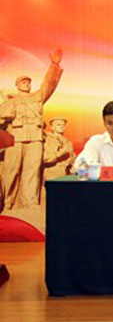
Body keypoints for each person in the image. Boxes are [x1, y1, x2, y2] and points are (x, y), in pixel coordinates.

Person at [0, 49, 63, 209]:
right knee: (11, 170)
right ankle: (8, 202)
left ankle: (30, 201)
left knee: (32, 170)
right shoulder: (10, 101)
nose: (26, 84)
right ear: (17, 86)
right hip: (15, 138)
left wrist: (54, 65)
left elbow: (49, 84)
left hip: (35, 138)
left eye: (28, 82)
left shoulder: (37, 97)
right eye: (23, 82)